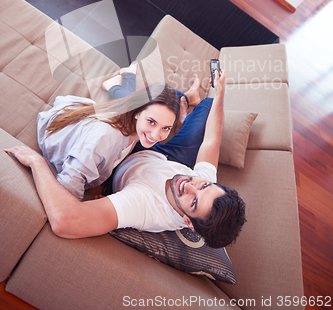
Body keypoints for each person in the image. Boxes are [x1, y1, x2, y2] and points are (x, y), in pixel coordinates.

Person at [5, 70, 246, 249]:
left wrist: (36, 163)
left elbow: (65, 221)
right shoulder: (201, 186)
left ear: (187, 223)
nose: (190, 185)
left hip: (131, 156)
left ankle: (164, 111)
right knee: (206, 104)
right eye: (204, 185)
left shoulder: (144, 206)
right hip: (167, 157)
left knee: (154, 110)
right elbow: (212, 141)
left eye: (193, 202)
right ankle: (187, 104)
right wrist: (221, 90)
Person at [36, 70, 199, 200]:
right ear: (137, 113)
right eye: (151, 122)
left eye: (166, 128)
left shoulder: (134, 126)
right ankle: (121, 82)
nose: (156, 135)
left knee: (169, 96)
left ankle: (125, 81)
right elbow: (69, 183)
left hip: (95, 122)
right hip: (59, 134)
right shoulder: (105, 140)